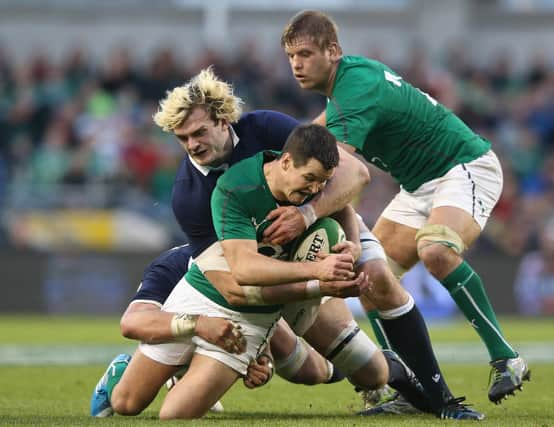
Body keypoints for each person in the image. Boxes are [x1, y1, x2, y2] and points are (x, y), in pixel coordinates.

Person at [90, 69, 422, 418]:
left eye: (199, 132)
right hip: (236, 279)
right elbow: (236, 287)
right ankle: (188, 368)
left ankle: (416, 384)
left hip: (298, 251)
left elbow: (341, 179)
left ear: (222, 120)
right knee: (127, 403)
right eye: (182, 138)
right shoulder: (190, 197)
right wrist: (315, 281)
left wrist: (323, 227)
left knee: (349, 369)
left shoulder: (267, 129)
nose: (192, 145)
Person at [280, 9, 530, 406]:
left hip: (463, 166)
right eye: (291, 56)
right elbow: (310, 139)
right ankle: (407, 387)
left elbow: (333, 166)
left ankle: (507, 358)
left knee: (437, 249)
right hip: (419, 186)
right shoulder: (347, 86)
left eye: (306, 54)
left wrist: (304, 213)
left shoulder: (356, 86)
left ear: (333, 51)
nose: (296, 64)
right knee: (369, 275)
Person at [114, 124, 383, 419]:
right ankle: (186, 364)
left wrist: (352, 246)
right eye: (310, 179)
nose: (315, 189)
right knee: (125, 403)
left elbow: (340, 202)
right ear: (286, 161)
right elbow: (245, 271)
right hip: (202, 294)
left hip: (250, 318)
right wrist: (319, 275)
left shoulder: (310, 190)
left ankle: (202, 368)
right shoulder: (236, 187)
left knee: (173, 416)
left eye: (322, 182)